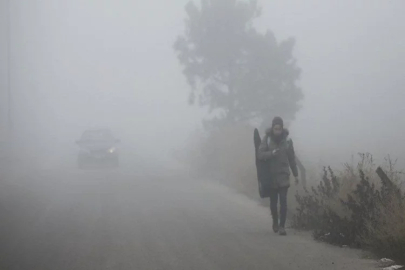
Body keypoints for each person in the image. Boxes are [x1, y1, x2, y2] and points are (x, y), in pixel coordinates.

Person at [257, 116, 299, 235]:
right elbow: (260, 154)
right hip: (271, 177)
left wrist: (296, 175)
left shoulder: (287, 141)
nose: (277, 131)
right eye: (275, 128)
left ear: (282, 128)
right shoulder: (267, 139)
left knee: (284, 202)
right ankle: (275, 222)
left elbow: (291, 158)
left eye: (279, 128)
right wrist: (271, 154)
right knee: (273, 203)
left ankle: (282, 226)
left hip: (283, 175)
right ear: (272, 128)